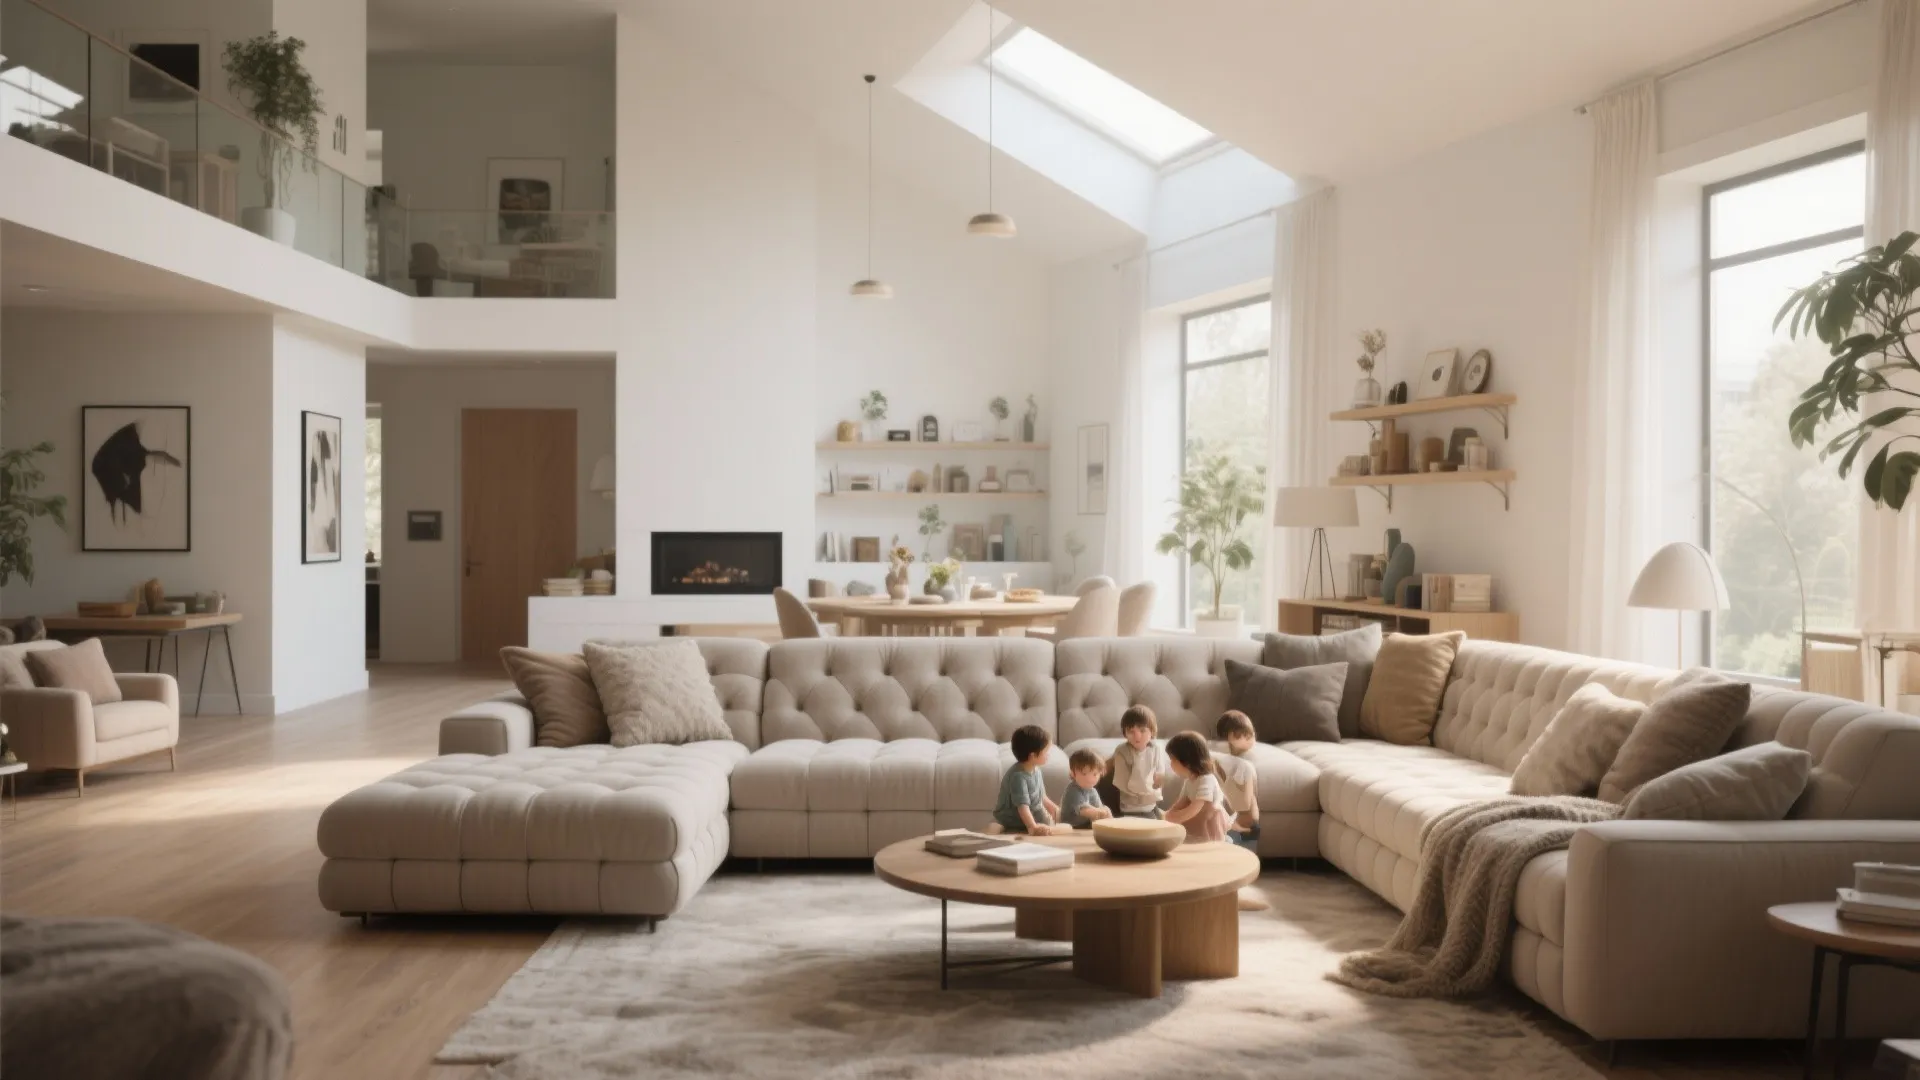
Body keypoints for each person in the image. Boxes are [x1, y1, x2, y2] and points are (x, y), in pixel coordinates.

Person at [989, 724, 1064, 835]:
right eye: (1046, 752)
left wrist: (1057, 811)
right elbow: (1022, 807)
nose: (1048, 755)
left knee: (1054, 823)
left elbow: (1042, 797)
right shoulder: (1018, 777)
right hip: (1013, 817)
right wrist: (1032, 827)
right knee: (1047, 828)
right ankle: (1006, 827)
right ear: (1032, 756)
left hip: (1033, 810)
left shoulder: (1036, 770)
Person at [1162, 732, 1231, 843]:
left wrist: (1175, 818)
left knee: (1207, 843)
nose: (1171, 764)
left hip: (1209, 821)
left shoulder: (1206, 780)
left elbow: (1194, 808)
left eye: (1173, 760)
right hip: (1198, 818)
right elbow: (1181, 802)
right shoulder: (1189, 781)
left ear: (1187, 761)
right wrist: (1169, 813)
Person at [1214, 711, 1262, 852]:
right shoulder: (1241, 766)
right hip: (1243, 821)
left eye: (1252, 734)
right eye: (1246, 735)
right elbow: (1243, 803)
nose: (1252, 739)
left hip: (1244, 821)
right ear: (1230, 737)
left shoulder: (1242, 763)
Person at [1110, 705, 1168, 818]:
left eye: (1142, 730)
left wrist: (1159, 778)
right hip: (1132, 807)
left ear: (1152, 731)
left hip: (1152, 803)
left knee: (1164, 820)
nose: (1137, 736)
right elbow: (1122, 781)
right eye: (1131, 731)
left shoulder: (1156, 748)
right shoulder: (1122, 751)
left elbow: (1160, 771)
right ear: (1125, 733)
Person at [1059, 748, 1112, 828]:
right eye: (1084, 774)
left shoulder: (1092, 791)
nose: (1090, 778)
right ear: (1073, 773)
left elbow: (1098, 806)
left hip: (1086, 824)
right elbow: (1084, 810)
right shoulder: (1073, 790)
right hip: (1072, 826)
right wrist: (1099, 812)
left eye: (1095, 774)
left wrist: (1104, 811)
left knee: (1106, 810)